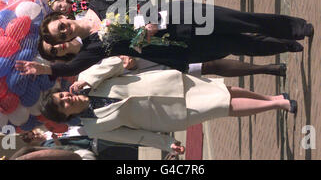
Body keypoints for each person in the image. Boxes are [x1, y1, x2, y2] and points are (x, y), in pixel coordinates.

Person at [15, 0, 313, 78]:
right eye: (60, 37)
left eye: (61, 26)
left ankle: (295, 27)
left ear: (64, 17)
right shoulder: (94, 47)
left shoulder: (98, 3)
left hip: (181, 17)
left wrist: (144, 21)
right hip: (176, 48)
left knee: (239, 21)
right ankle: (284, 45)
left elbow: (138, 0)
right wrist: (45, 69)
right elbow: (73, 67)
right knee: (235, 44)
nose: (64, 32)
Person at [39, 57, 297, 155]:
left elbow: (117, 63)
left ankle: (273, 99)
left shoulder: (89, 82)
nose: (66, 98)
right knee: (223, 106)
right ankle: (279, 105)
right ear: (65, 115)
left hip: (168, 84)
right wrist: (166, 144)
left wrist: (87, 79)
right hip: (167, 115)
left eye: (62, 96)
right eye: (62, 104)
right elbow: (134, 136)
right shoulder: (94, 128)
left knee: (223, 90)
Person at [37, 35, 287, 78]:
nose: (58, 47)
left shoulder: (85, 30)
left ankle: (271, 47)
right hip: (145, 71)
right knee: (211, 66)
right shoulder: (82, 65)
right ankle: (265, 69)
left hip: (158, 43)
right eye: (54, 52)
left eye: (54, 44)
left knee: (219, 49)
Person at [20, 126, 139, 160]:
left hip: (94, 135)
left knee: (129, 140)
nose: (36, 136)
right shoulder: (45, 146)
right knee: (129, 149)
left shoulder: (48, 130)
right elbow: (63, 151)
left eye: (33, 133)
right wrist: (56, 139)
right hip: (92, 146)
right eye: (33, 138)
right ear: (32, 143)